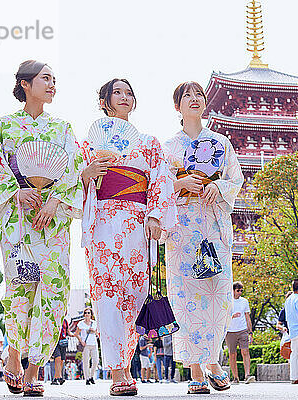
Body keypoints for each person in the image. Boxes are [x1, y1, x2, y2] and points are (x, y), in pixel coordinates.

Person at [0, 60, 84, 396]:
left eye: (55, 79)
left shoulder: (64, 129)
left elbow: (75, 167)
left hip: (52, 222)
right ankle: (13, 357)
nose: (52, 84)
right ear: (25, 84)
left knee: (54, 292)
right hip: (19, 221)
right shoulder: (4, 125)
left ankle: (35, 368)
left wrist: (55, 201)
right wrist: (15, 190)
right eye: (45, 79)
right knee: (21, 289)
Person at [79, 78, 178, 396]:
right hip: (104, 222)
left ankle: (126, 360)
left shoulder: (148, 142)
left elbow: (162, 176)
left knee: (134, 296)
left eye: (129, 92)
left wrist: (154, 216)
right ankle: (118, 371)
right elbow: (75, 179)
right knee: (107, 295)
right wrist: (86, 174)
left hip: (138, 222)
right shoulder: (90, 142)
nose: (124, 97)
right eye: (116, 92)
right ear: (105, 101)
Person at [164, 81, 243, 395]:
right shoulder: (167, 147)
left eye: (199, 95)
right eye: (187, 96)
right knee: (185, 299)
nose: (194, 100)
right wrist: (182, 182)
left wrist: (217, 187)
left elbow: (234, 179)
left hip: (213, 224)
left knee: (218, 296)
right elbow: (158, 187)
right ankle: (196, 369)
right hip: (182, 229)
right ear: (177, 106)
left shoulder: (221, 142)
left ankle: (213, 359)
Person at [225, 282, 255, 384]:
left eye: (241, 290)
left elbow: (247, 316)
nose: (240, 293)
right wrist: (232, 316)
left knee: (245, 352)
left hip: (242, 330)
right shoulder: (228, 301)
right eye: (238, 290)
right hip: (230, 331)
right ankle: (235, 377)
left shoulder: (244, 301)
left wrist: (250, 332)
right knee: (232, 354)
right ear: (233, 290)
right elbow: (223, 317)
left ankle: (247, 375)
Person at [74, 307, 99, 385]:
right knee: (86, 362)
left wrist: (94, 331)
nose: (87, 314)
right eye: (86, 313)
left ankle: (91, 376)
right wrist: (81, 341)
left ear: (91, 314)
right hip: (86, 345)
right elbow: (76, 334)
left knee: (95, 361)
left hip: (94, 344)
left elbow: (98, 334)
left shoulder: (94, 323)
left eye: (89, 313)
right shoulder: (81, 323)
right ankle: (87, 378)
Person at [51, 318, 70, 385]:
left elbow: (68, 331)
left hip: (63, 342)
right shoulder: (55, 319)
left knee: (62, 360)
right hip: (55, 342)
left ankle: (56, 378)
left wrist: (75, 335)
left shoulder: (65, 321)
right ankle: (59, 377)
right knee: (57, 358)